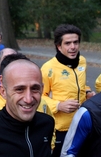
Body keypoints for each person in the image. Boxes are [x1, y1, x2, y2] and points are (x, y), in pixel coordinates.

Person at [40, 24, 94, 157]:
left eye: (76, 42)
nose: (73, 47)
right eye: (68, 43)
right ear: (59, 46)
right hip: (61, 128)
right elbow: (39, 97)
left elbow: (79, 85)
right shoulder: (48, 68)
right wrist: (58, 105)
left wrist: (87, 92)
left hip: (82, 123)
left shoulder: (82, 61)